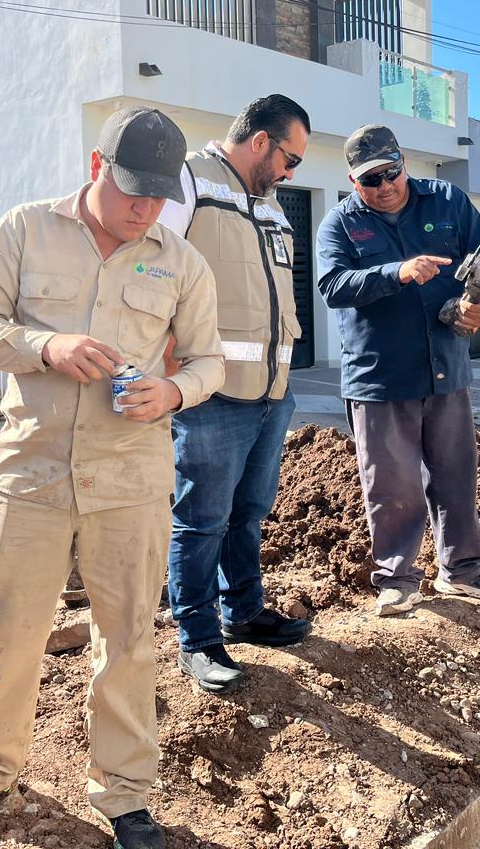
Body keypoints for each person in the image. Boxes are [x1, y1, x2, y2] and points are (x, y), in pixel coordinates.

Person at [0, 107, 224, 849]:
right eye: (134, 191)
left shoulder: (182, 262)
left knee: (127, 640)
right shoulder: (25, 230)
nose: (146, 209)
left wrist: (174, 392)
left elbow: (210, 362)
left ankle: (124, 792)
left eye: (160, 196)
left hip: (131, 480)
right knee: (10, 634)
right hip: (31, 474)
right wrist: (46, 346)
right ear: (98, 168)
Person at [316, 124, 480, 616]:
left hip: (445, 368)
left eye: (392, 173)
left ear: (404, 162)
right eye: (371, 180)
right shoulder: (340, 224)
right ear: (353, 180)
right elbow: (332, 286)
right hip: (381, 378)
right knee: (393, 485)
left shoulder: (447, 201)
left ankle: (462, 569)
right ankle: (398, 578)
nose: (385, 186)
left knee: (456, 474)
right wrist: (397, 272)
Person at [157, 94, 312, 694]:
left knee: (248, 513)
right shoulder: (189, 181)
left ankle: (244, 611)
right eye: (291, 159)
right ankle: (197, 639)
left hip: (273, 392)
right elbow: (152, 271)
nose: (291, 173)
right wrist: (170, 371)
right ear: (260, 142)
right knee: (202, 521)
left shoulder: (271, 206)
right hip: (211, 395)